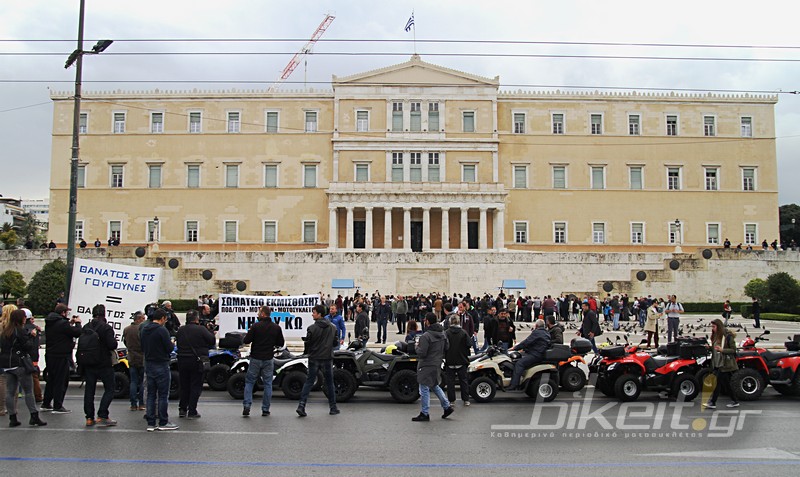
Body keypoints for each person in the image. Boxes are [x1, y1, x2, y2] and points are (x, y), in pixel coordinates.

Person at [0, 309, 46, 427]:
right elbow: (28, 347)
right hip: (20, 363)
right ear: (21, 318)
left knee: (10, 391)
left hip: (6, 364)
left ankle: (12, 417)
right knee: (28, 391)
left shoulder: (5, 331)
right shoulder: (19, 331)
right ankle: (34, 416)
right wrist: (32, 337)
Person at [296, 304, 339, 417]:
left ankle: (301, 405)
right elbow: (335, 343)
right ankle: (333, 407)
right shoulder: (333, 327)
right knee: (329, 383)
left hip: (314, 357)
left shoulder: (311, 328)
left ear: (319, 314)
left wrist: (308, 351)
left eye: (314, 312)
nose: (312, 314)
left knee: (309, 382)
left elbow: (308, 344)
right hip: (327, 358)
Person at [242, 305, 284, 417]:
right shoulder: (276, 327)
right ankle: (265, 409)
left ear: (263, 314)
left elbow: (246, 340)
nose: (257, 314)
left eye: (259, 312)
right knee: (268, 384)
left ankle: (247, 405)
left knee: (250, 382)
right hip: (268, 358)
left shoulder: (255, 326)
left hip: (255, 357)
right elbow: (280, 343)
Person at [140, 309, 178, 431]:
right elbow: (169, 348)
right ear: (162, 318)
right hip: (161, 363)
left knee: (151, 394)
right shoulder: (162, 330)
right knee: (162, 395)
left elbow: (142, 346)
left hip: (149, 363)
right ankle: (163, 421)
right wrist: (172, 342)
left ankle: (151, 422)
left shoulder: (144, 329)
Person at [81, 304, 119, 427]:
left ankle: (89, 417)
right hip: (103, 363)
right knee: (110, 388)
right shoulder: (106, 327)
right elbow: (112, 345)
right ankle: (102, 414)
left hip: (88, 362)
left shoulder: (86, 326)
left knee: (89, 391)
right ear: (104, 314)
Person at [41, 303, 82, 414]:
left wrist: (69, 323)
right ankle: (58, 405)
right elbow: (78, 332)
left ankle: (46, 403)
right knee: (61, 381)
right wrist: (78, 323)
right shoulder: (62, 324)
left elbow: (63, 330)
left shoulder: (51, 322)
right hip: (61, 355)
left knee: (51, 380)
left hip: (50, 354)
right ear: (63, 313)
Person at [413, 312, 453, 422]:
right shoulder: (443, 334)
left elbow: (422, 353)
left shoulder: (426, 336)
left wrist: (416, 347)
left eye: (425, 320)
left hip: (426, 364)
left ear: (428, 321)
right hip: (437, 363)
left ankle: (425, 413)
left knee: (424, 388)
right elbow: (447, 347)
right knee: (435, 385)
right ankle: (447, 406)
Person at [176, 309, 215, 419]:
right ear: (197, 319)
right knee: (195, 386)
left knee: (184, 385)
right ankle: (192, 410)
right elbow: (211, 341)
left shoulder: (181, 330)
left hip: (182, 360)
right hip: (197, 361)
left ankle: (182, 409)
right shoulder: (201, 329)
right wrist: (211, 330)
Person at [703, 319, 740, 409]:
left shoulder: (727, 337)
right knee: (725, 383)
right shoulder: (715, 336)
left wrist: (722, 350)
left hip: (724, 364)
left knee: (717, 382)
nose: (712, 328)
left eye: (714, 326)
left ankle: (712, 402)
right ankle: (735, 401)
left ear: (718, 327)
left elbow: (733, 350)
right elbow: (715, 349)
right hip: (717, 363)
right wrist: (709, 348)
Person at [508, 320, 551, 390]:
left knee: (519, 363)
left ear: (536, 326)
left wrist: (514, 348)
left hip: (535, 354)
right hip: (539, 353)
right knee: (519, 357)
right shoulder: (546, 332)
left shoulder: (537, 332)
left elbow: (527, 342)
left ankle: (514, 384)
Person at [444, 314, 471, 406]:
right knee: (463, 380)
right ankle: (466, 399)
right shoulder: (463, 332)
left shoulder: (446, 333)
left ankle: (452, 400)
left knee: (450, 382)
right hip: (462, 359)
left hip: (450, 359)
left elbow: (444, 346)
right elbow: (469, 344)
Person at [122, 311, 146, 411]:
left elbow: (125, 342)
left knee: (133, 381)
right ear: (139, 319)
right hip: (142, 358)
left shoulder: (127, 329)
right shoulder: (143, 329)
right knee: (142, 383)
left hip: (131, 358)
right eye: (143, 318)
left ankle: (133, 404)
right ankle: (141, 403)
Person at [22, 309, 43, 403]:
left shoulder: (23, 329)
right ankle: (38, 396)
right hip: (34, 355)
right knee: (34, 377)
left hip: (25, 356)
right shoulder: (35, 328)